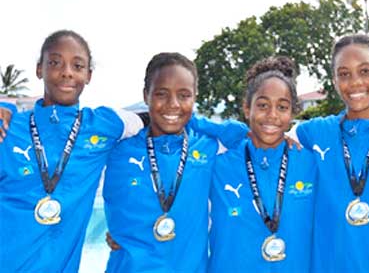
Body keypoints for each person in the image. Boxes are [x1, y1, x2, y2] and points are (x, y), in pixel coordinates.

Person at [0, 30, 145, 272]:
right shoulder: (8, 129)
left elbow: (158, 120)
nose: (67, 71)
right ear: (39, 69)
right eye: (55, 62)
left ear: (88, 75)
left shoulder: (103, 124)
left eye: (77, 66)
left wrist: (131, 227)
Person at [102, 52, 245, 272]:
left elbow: (247, 138)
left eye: (184, 95)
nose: (173, 104)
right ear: (146, 95)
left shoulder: (207, 148)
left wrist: (196, 120)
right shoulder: (118, 149)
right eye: (161, 94)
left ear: (195, 97)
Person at [296, 34, 369, 273]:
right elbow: (264, 138)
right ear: (335, 80)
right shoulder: (311, 134)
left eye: (365, 71)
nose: (355, 82)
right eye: (344, 74)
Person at [208, 56, 316, 272]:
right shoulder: (218, 164)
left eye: (282, 107)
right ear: (247, 109)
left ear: (293, 113)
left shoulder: (311, 164)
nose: (272, 115)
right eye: (263, 105)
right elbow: (179, 120)